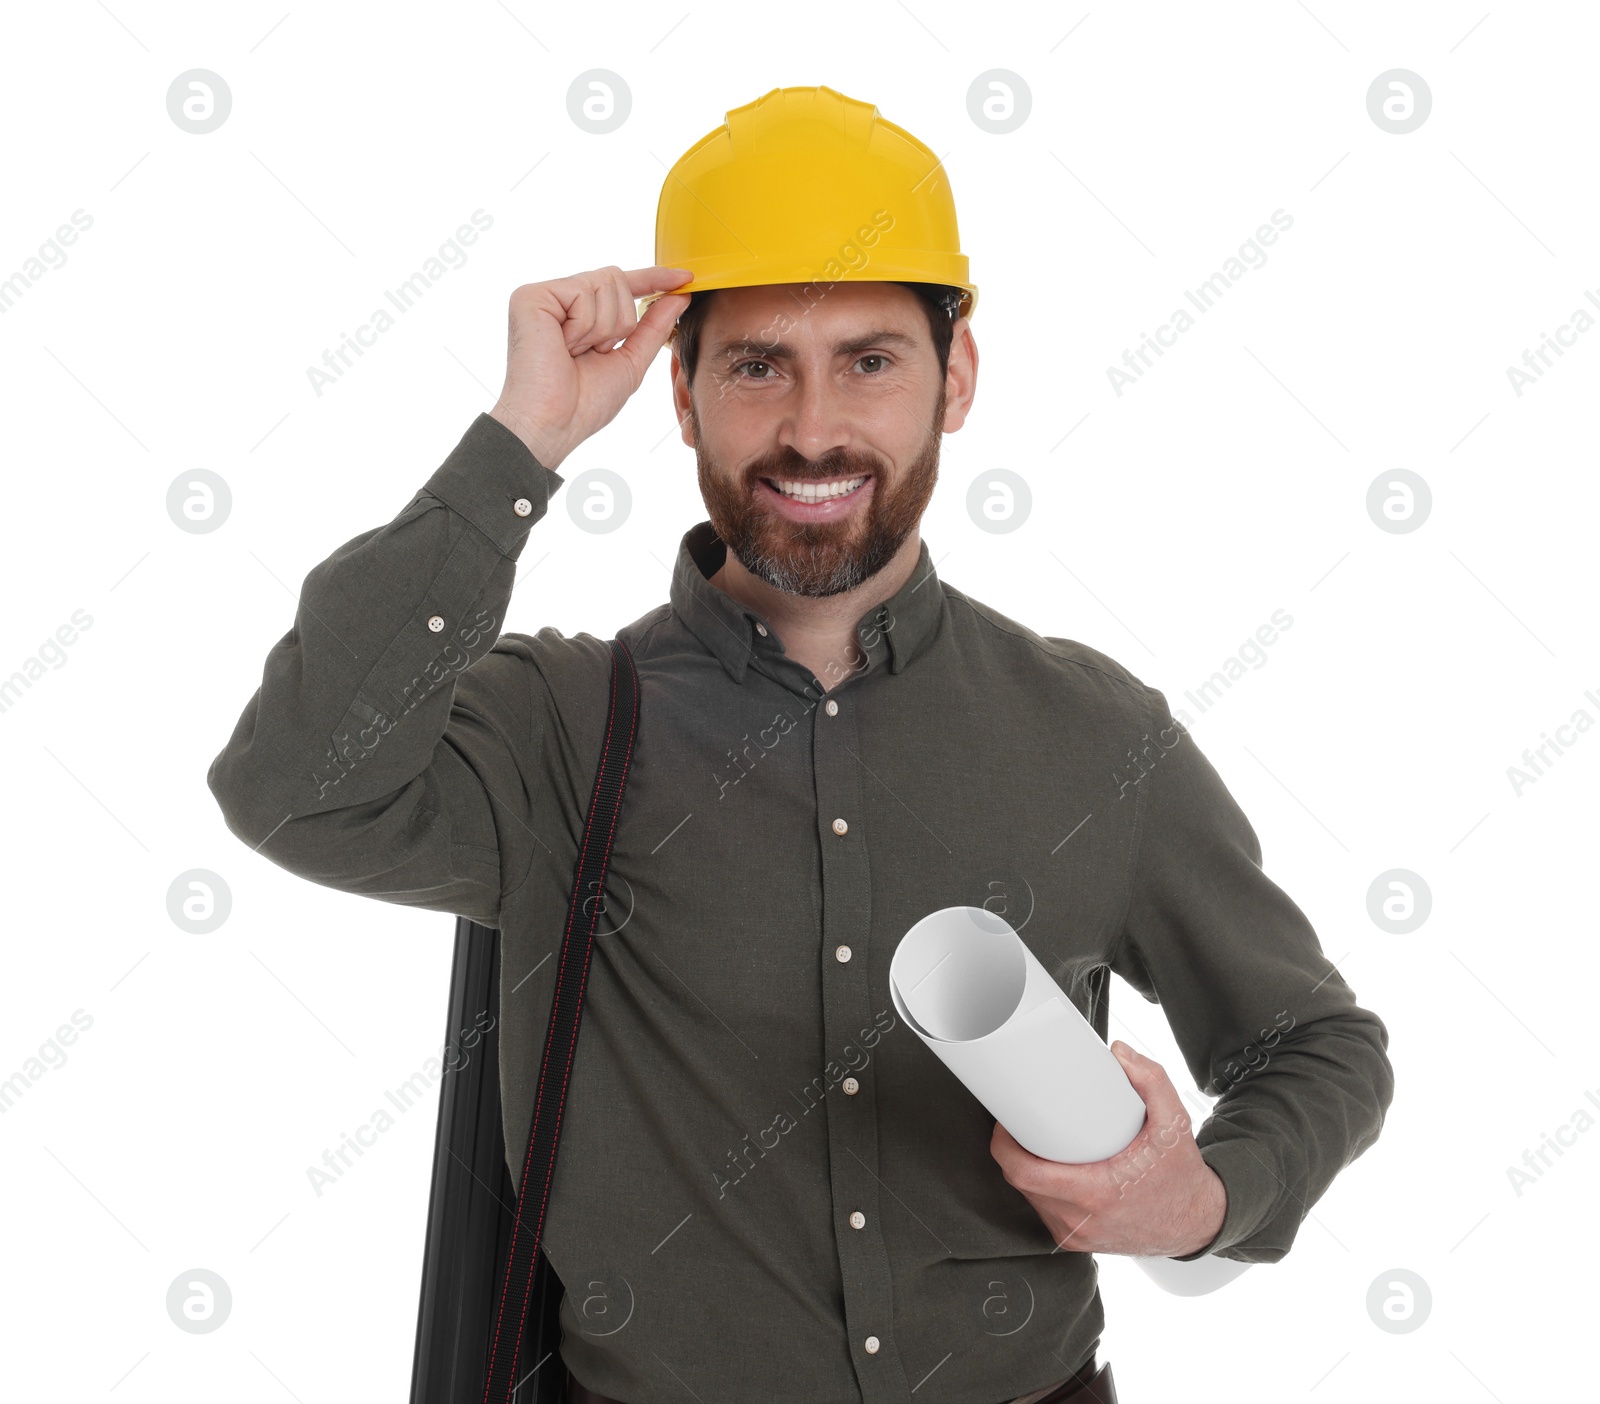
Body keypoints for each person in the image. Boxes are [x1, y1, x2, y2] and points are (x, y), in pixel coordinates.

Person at [207, 86, 1392, 1404]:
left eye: (871, 360)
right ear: (681, 393)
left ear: (959, 380)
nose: (815, 428)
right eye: (759, 363)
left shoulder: (1094, 733)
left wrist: (1203, 1198)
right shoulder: (560, 728)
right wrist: (521, 440)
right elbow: (292, 788)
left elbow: (1315, 1043)